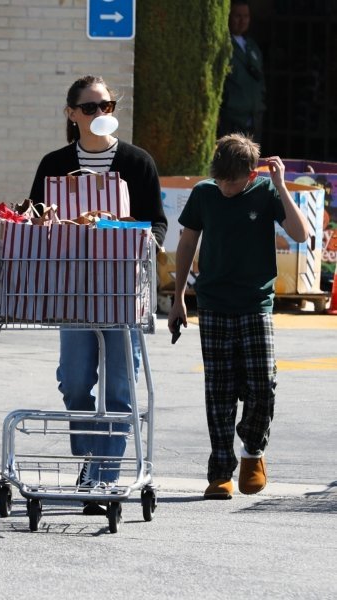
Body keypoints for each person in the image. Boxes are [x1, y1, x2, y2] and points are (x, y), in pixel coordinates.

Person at [29, 75, 167, 514]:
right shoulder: (54, 164)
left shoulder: (136, 161)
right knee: (73, 382)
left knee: (120, 390)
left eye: (106, 106)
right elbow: (34, 219)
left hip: (123, 292)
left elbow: (157, 222)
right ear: (71, 114)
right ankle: (91, 458)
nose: (99, 115)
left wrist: (144, 239)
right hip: (73, 292)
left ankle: (102, 483)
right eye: (89, 108)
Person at [168, 133, 308, 500]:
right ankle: (219, 472)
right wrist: (179, 296)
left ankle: (253, 452)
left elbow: (300, 233)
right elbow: (187, 242)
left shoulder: (265, 191)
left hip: (255, 303)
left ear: (250, 174)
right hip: (213, 303)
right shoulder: (204, 194)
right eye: (221, 180)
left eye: (234, 181)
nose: (226, 188)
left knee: (263, 384)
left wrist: (280, 184)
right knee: (219, 392)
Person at [217, 0, 266, 144]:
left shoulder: (252, 46)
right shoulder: (224, 45)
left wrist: (260, 104)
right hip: (232, 117)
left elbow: (260, 79)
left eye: (246, 16)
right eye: (237, 16)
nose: (242, 21)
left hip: (253, 117)